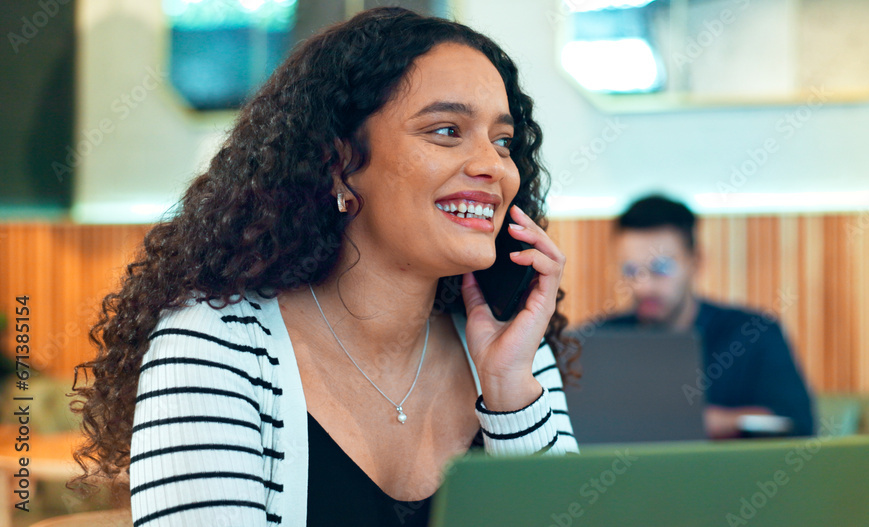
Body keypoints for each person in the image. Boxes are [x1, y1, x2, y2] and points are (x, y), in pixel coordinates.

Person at [71, 8, 579, 526]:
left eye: (502, 141)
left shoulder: (510, 347)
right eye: (446, 130)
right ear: (338, 163)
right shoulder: (216, 342)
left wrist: (511, 393)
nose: (492, 166)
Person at [599, 194, 813, 439]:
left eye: (661, 268)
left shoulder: (754, 334)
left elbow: (795, 424)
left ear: (696, 261)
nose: (643, 287)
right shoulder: (598, 341)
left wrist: (716, 422)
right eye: (631, 271)